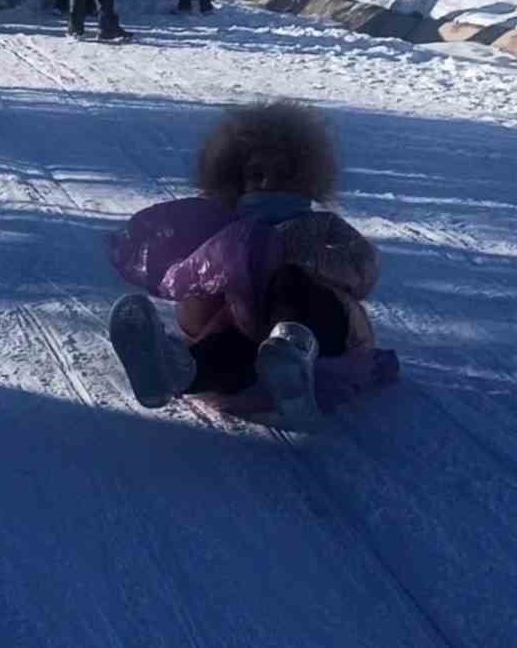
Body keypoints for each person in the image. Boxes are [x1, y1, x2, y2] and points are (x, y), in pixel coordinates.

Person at [105, 102, 399, 429]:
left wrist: (304, 256)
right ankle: (178, 371)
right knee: (229, 342)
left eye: (282, 175)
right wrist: (213, 273)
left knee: (289, 283)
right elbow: (191, 288)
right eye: (258, 175)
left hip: (323, 330)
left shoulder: (321, 225)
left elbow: (363, 268)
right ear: (237, 182)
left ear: (302, 179)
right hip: (251, 333)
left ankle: (294, 353)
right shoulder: (226, 231)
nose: (268, 183)